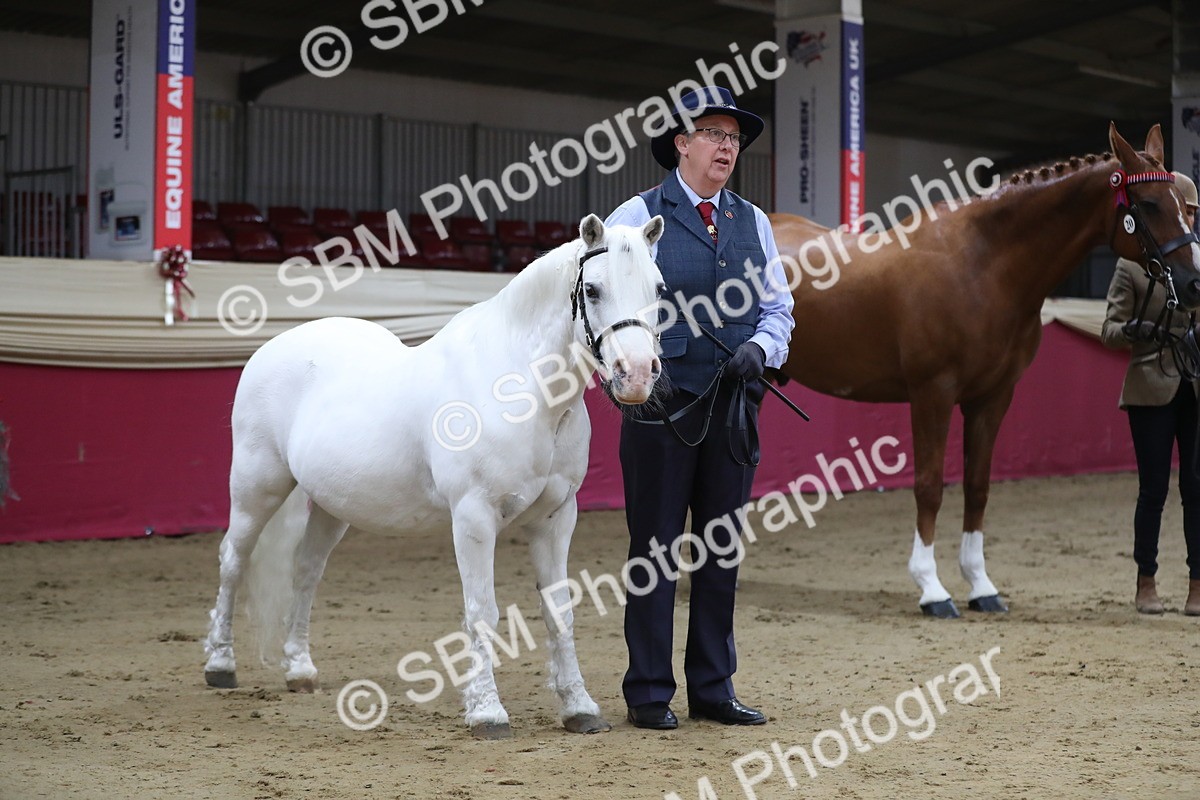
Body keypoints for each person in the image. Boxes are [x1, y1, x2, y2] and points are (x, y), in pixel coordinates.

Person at [604, 86, 795, 729]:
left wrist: (761, 349)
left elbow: (778, 309)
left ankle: (713, 688)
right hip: (662, 406)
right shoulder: (636, 214)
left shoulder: (754, 221)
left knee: (721, 551)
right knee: (654, 551)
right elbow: (613, 303)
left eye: (734, 138)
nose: (727, 147)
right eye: (714, 134)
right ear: (681, 144)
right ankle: (648, 691)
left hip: (732, 406)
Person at [1101, 170, 1200, 616]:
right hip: (1149, 387)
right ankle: (1146, 581)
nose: (1189, 220)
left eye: (1193, 213)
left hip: (1194, 385)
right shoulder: (1131, 267)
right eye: (1185, 212)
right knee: (1153, 490)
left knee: (1196, 489)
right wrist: (1135, 330)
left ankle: (1197, 585)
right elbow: (1108, 330)